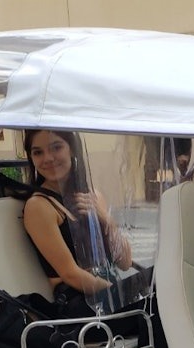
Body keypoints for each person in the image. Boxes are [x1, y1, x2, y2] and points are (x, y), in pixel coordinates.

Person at [22, 129, 135, 319]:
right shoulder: (40, 206)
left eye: (56, 148)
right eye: (38, 152)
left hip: (106, 294)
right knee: (155, 311)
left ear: (72, 149)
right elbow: (70, 274)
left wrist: (106, 220)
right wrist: (119, 293)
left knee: (163, 296)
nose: (48, 158)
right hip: (79, 304)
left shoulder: (93, 196)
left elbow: (125, 262)